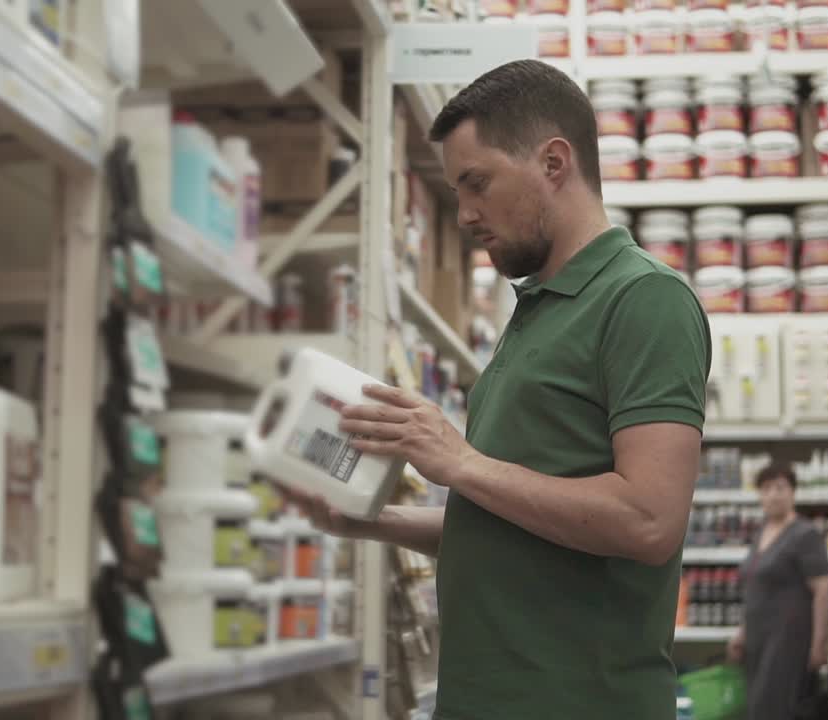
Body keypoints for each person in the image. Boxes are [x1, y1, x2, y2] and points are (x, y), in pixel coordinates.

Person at [282, 60, 711, 719]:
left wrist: (462, 462)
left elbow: (650, 520)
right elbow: (507, 527)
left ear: (554, 162)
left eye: (477, 183)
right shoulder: (537, 312)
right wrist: (372, 520)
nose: (465, 213)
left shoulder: (643, 298)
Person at [726, 464, 828, 720]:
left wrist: (820, 642)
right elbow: (756, 588)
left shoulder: (805, 534)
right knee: (757, 706)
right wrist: (741, 633)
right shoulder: (761, 533)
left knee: (776, 708)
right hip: (758, 640)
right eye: (766, 489)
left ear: (793, 493)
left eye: (780, 488)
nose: (773, 495)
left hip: (787, 640)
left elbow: (823, 588)